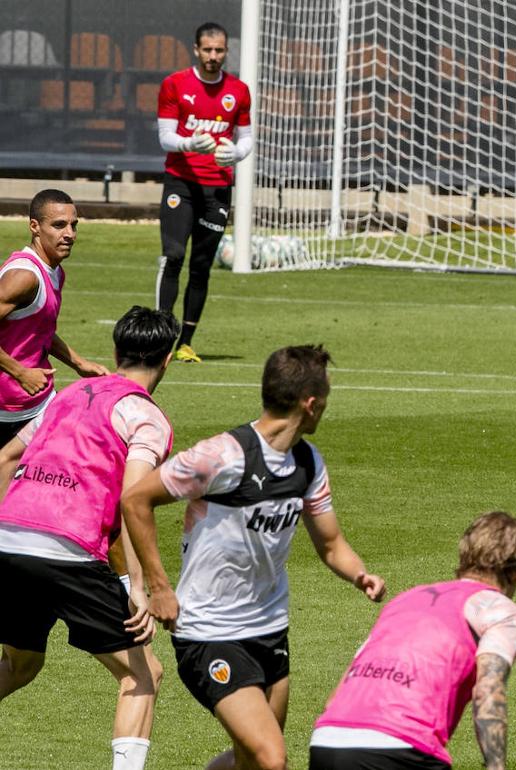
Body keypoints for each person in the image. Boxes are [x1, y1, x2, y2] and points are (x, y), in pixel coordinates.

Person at [121, 344, 386, 770]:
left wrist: (360, 576)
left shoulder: (307, 463)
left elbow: (331, 544)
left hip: (269, 630)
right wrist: (159, 587)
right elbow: (135, 500)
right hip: (209, 633)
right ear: (311, 404)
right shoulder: (221, 456)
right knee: (271, 757)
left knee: (250, 758)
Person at [0, 305, 181, 770]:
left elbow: (4, 460)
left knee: (21, 665)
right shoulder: (147, 417)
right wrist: (139, 588)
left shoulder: (69, 394)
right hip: (68, 550)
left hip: (10, 540)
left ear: (117, 351)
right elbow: (133, 500)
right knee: (143, 675)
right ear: (168, 359)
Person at [310, 511, 516, 770]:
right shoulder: (500, 611)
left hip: (328, 740)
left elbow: (335, 697)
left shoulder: (405, 600)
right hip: (401, 749)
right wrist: (496, 766)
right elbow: (487, 691)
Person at [155, 21, 253, 364]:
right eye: (207, 50)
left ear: (227, 51)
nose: (213, 56)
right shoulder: (175, 84)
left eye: (219, 50)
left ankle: (185, 343)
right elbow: (165, 135)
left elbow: (246, 137)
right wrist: (187, 143)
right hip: (180, 182)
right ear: (196, 49)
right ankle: (161, 336)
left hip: (218, 188)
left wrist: (237, 154)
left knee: (201, 266)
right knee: (174, 254)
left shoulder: (238, 90)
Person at [0, 188, 109, 444]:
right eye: (59, 225)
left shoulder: (55, 271)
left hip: (38, 401)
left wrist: (80, 364)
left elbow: (39, 330)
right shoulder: (23, 277)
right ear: (34, 226)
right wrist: (21, 373)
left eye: (74, 225)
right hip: (8, 409)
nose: (69, 234)